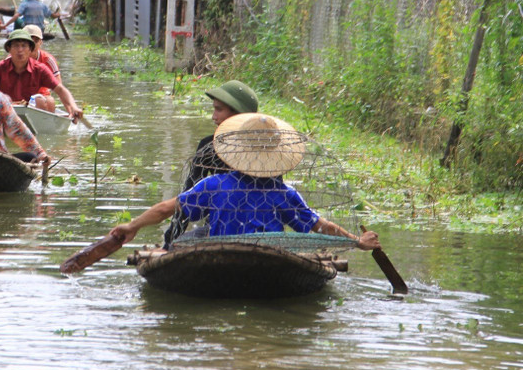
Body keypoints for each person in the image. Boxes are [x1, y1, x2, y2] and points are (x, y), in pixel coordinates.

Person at [109, 113, 382, 252]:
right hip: (270, 255)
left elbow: (165, 209)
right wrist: (357, 241)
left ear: (237, 152)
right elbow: (321, 226)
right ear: (277, 157)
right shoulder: (284, 193)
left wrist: (131, 226)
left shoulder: (213, 185)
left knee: (185, 242)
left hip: (222, 253)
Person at [163, 80, 259, 247]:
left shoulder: (263, 149)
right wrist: (172, 237)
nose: (214, 116)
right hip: (228, 230)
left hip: (242, 232)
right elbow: (189, 196)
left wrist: (169, 244)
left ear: (238, 114)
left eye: (219, 110)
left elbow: (187, 200)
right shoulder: (209, 147)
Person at [0, 29, 83, 121]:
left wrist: (73, 107)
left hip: (31, 109)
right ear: (9, 49)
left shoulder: (40, 69)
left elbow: (60, 89)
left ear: (30, 49)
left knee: (47, 101)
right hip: (5, 109)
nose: (20, 50)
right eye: (16, 46)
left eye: (24, 46)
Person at [22, 24, 60, 111]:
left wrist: (69, 107)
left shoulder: (48, 60)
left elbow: (59, 86)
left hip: (42, 94)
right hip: (18, 94)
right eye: (29, 41)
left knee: (48, 101)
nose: (32, 45)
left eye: (36, 41)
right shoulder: (13, 59)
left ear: (40, 42)